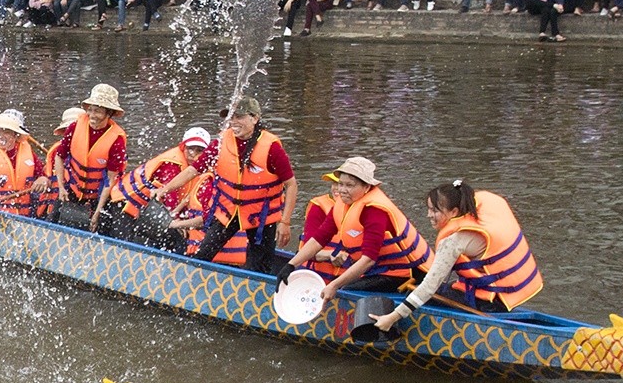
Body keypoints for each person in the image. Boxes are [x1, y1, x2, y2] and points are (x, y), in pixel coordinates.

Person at [368, 180, 544, 332]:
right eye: (429, 209)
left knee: (420, 296)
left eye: (435, 210)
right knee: (438, 290)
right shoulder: (481, 214)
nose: (429, 215)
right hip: (505, 295)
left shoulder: (454, 241)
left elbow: (429, 287)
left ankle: (390, 325)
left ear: (454, 212)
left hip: (487, 302)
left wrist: (392, 318)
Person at [167, 103, 296, 273]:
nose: (234, 121)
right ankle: (192, 283)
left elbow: (291, 184)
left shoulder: (271, 148)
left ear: (254, 119)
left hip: (260, 215)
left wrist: (285, 222)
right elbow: (193, 170)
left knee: (260, 267)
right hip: (229, 211)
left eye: (240, 117)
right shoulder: (221, 143)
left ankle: (255, 292)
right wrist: (164, 190)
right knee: (202, 255)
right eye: (231, 117)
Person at [283, 156, 429, 299]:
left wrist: (333, 285)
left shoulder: (375, 211)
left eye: (350, 185)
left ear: (366, 187)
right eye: (341, 184)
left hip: (405, 273)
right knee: (343, 285)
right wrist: (290, 265)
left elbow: (368, 259)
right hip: (377, 270)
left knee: (345, 290)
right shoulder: (343, 204)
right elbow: (318, 240)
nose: (342, 190)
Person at [48, 83, 128, 219]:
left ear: (109, 113)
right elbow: (59, 157)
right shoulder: (74, 127)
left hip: (100, 195)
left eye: (98, 111)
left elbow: (111, 178)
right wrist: (61, 187)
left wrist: (97, 211)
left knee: (103, 224)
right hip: (72, 189)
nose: (92, 115)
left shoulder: (117, 140)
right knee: (52, 220)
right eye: (90, 110)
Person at [0, 110, 43, 215]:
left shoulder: (26, 151)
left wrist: (43, 179)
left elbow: (42, 174)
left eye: (6, 132)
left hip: (24, 215)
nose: (1, 136)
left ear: (16, 135)